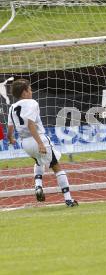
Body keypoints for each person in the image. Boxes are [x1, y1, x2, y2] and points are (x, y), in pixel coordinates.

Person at [7, 79, 78, 207]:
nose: (31, 91)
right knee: (57, 167)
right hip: (38, 138)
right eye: (29, 89)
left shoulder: (12, 107)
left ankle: (38, 185)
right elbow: (30, 124)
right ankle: (69, 200)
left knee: (39, 161)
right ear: (24, 92)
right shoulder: (32, 103)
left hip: (25, 144)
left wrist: (11, 139)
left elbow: (10, 128)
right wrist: (40, 143)